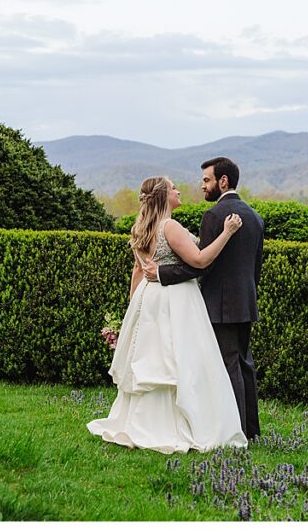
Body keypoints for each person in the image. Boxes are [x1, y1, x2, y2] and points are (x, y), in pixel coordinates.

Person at [86, 175, 250, 454]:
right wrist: (227, 232)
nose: (178, 190)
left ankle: (141, 422)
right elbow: (199, 260)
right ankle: (179, 424)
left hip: (147, 299)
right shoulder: (169, 227)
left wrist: (133, 310)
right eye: (174, 188)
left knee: (153, 360)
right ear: (164, 196)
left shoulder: (140, 228)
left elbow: (138, 272)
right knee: (180, 359)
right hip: (176, 300)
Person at [154, 154, 266, 441]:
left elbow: (201, 263)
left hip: (221, 304)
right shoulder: (255, 217)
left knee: (227, 365)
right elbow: (255, 267)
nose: (202, 185)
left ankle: (236, 432)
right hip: (246, 302)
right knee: (244, 363)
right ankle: (251, 430)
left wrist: (162, 273)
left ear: (223, 181)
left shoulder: (214, 216)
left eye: (206, 179)